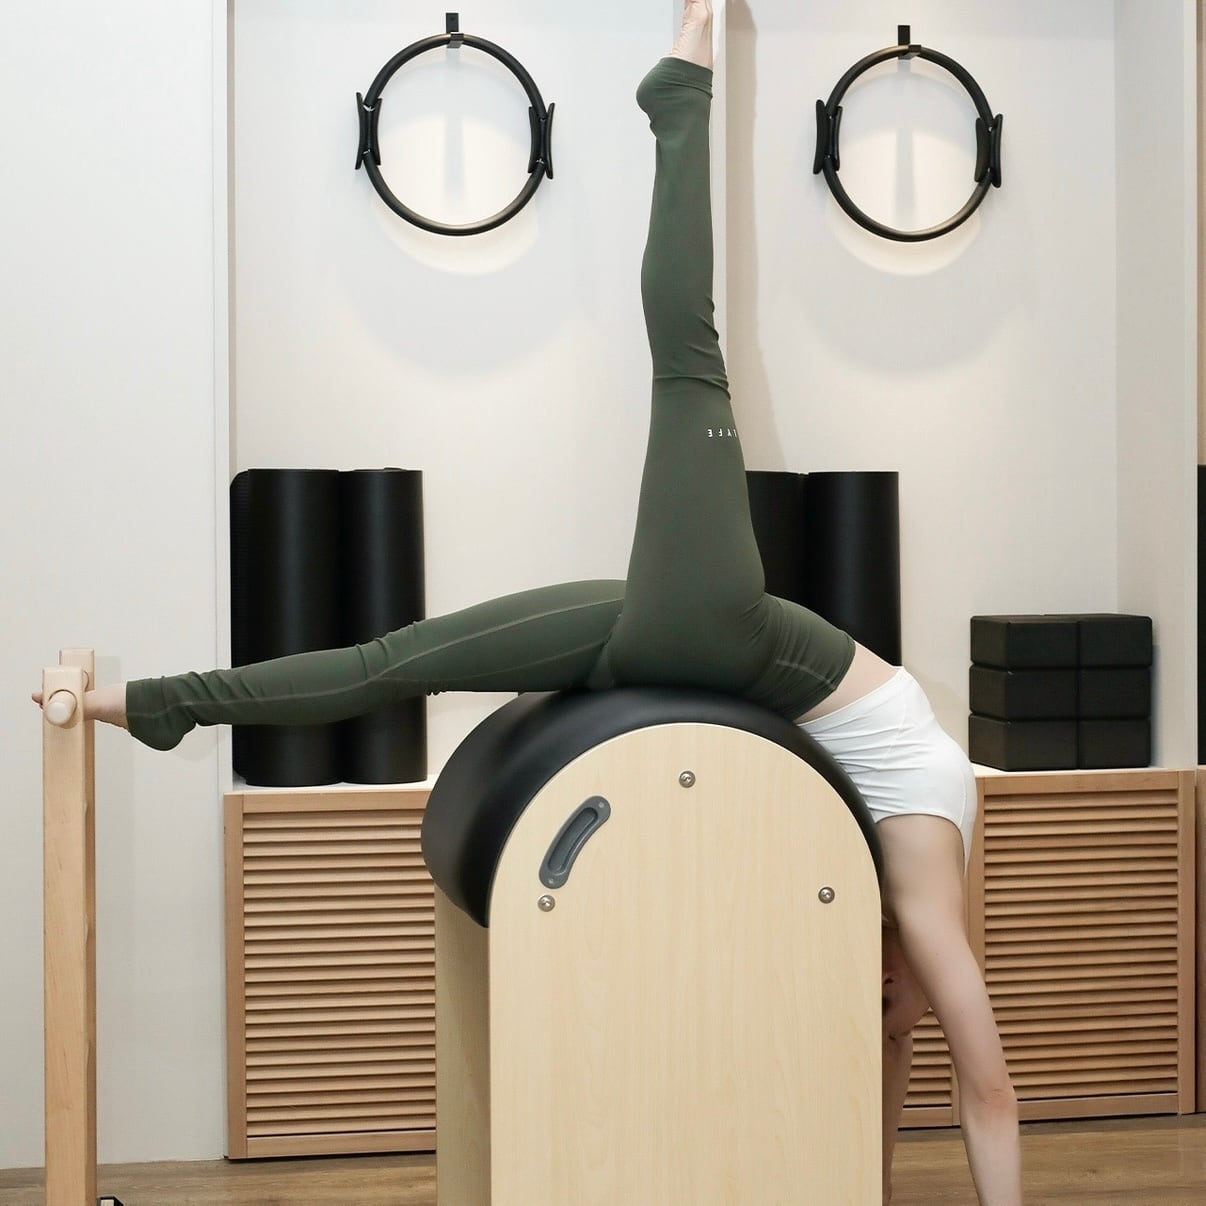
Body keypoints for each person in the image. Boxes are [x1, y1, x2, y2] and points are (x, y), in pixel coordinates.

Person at [35, 3, 1019, 1201]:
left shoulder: (881, 892)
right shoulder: (927, 874)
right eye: (896, 988)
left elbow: (884, 1061)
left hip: (682, 657)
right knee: (687, 361)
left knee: (401, 659)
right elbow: (989, 1087)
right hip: (725, 632)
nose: (884, 992)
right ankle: (681, 91)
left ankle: (146, 703)